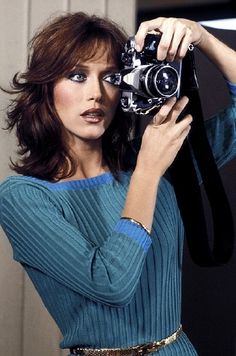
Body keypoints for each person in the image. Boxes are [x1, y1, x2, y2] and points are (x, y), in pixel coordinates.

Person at [0, 12, 236, 356]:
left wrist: (201, 36)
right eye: (77, 75)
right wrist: (148, 172)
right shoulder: (25, 197)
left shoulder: (160, 159)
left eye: (110, 76)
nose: (95, 94)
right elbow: (111, 284)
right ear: (46, 88)